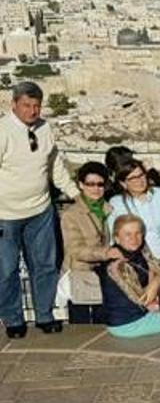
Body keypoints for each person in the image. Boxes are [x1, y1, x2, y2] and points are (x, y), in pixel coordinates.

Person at [0, 81, 77, 337]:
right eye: (26, 106)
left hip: (40, 210)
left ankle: (45, 315)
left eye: (36, 106)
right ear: (14, 104)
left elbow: (54, 165)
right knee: (7, 270)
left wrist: (76, 194)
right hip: (6, 215)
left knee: (44, 265)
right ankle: (13, 320)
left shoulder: (45, 129)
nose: (32, 111)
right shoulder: (3, 131)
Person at [99, 215, 160, 338]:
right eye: (128, 234)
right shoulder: (117, 265)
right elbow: (143, 299)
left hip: (143, 313)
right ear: (116, 238)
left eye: (138, 233)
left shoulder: (140, 252)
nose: (134, 238)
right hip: (128, 323)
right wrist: (157, 282)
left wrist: (157, 281)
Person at [60, 162, 120, 311]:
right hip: (80, 274)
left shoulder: (110, 209)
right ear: (81, 185)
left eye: (100, 184)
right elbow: (75, 249)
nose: (96, 189)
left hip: (103, 275)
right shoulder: (71, 214)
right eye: (90, 184)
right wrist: (106, 253)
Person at [107, 158, 160, 265]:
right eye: (133, 178)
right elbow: (113, 236)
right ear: (123, 183)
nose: (140, 181)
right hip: (137, 261)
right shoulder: (116, 203)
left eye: (141, 175)